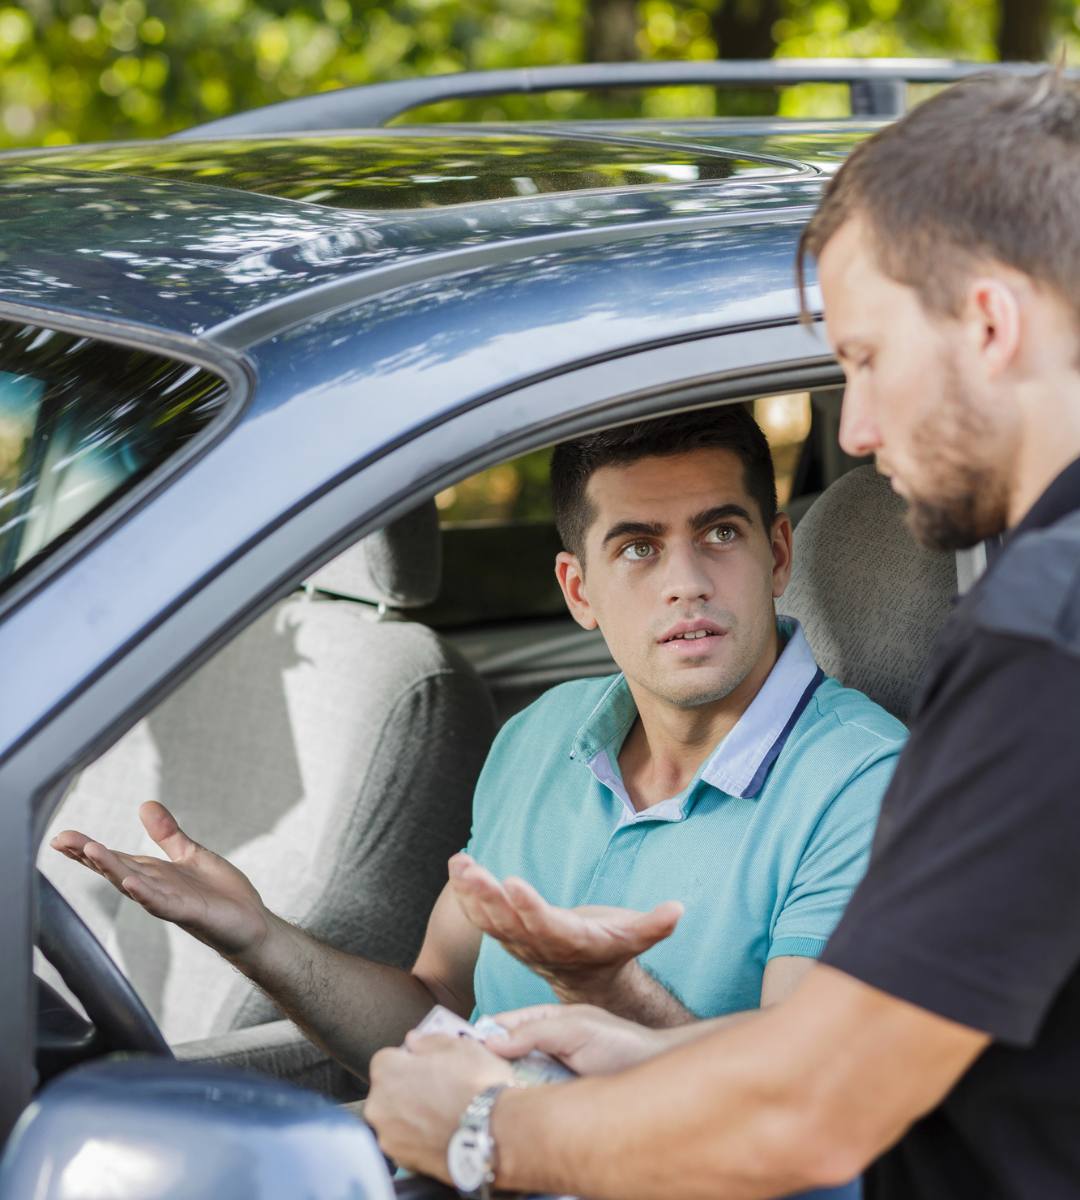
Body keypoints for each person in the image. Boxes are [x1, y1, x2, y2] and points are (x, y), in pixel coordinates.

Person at [364, 70, 1080, 1200]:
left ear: (989, 325)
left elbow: (818, 1109)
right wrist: (641, 1041)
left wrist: (485, 1137)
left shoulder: (1046, 640)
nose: (859, 431)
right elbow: (863, 1051)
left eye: (866, 360)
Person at [53, 407, 902, 1077]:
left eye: (719, 534)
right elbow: (435, 1011)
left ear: (777, 554)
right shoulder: (540, 736)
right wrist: (255, 935)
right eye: (638, 548)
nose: (686, 582)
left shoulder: (866, 783)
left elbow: (791, 1102)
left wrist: (602, 987)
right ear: (579, 591)